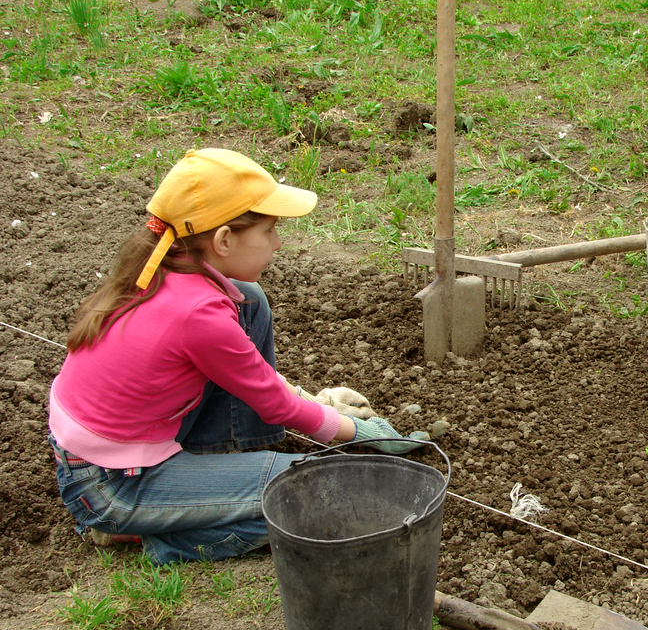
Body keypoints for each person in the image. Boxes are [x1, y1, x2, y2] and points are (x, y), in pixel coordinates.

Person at [49, 148, 430, 564]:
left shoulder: (164, 266)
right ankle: (158, 536)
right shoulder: (197, 313)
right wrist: (358, 432)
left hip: (116, 445)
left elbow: (254, 379)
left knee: (249, 301)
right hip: (111, 485)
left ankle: (230, 464)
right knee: (319, 491)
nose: (278, 243)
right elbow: (275, 402)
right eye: (269, 232)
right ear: (224, 239)